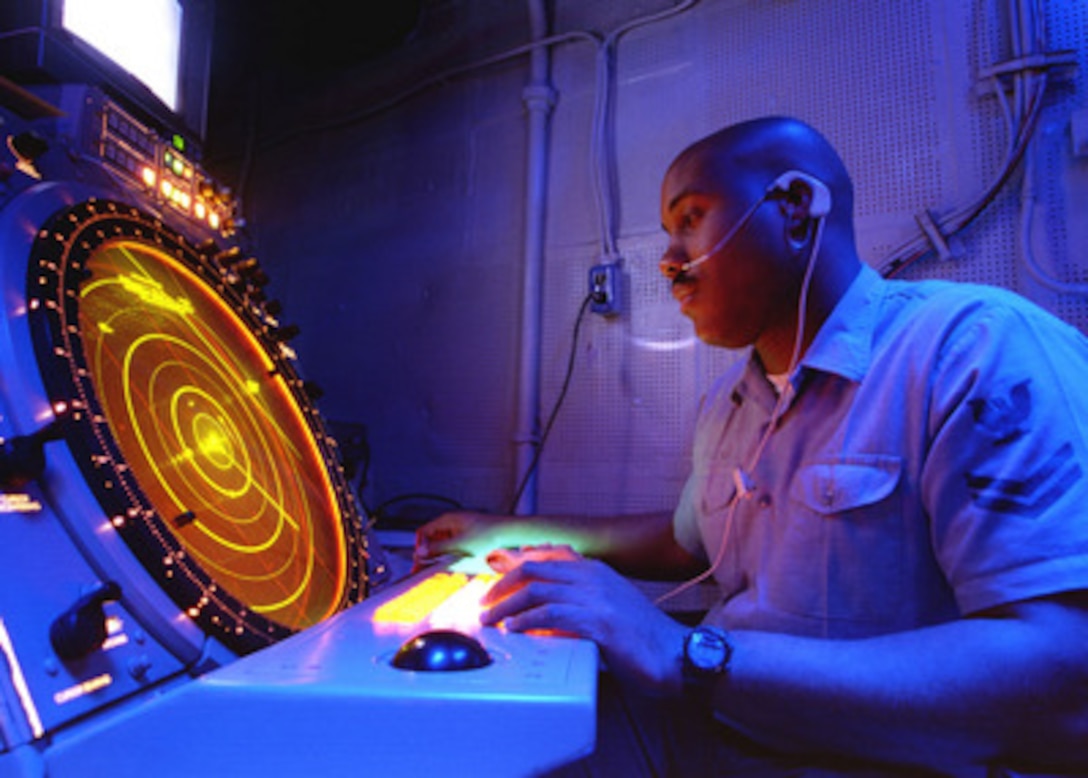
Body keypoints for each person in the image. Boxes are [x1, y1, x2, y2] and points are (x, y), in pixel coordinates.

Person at [413, 116, 1088, 776]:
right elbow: (689, 544)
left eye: (691, 218)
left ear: (794, 209)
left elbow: (1062, 664)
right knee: (463, 742)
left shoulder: (972, 350)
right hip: (719, 732)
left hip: (860, 755)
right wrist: (507, 531)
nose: (668, 261)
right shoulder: (731, 404)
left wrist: (682, 651)